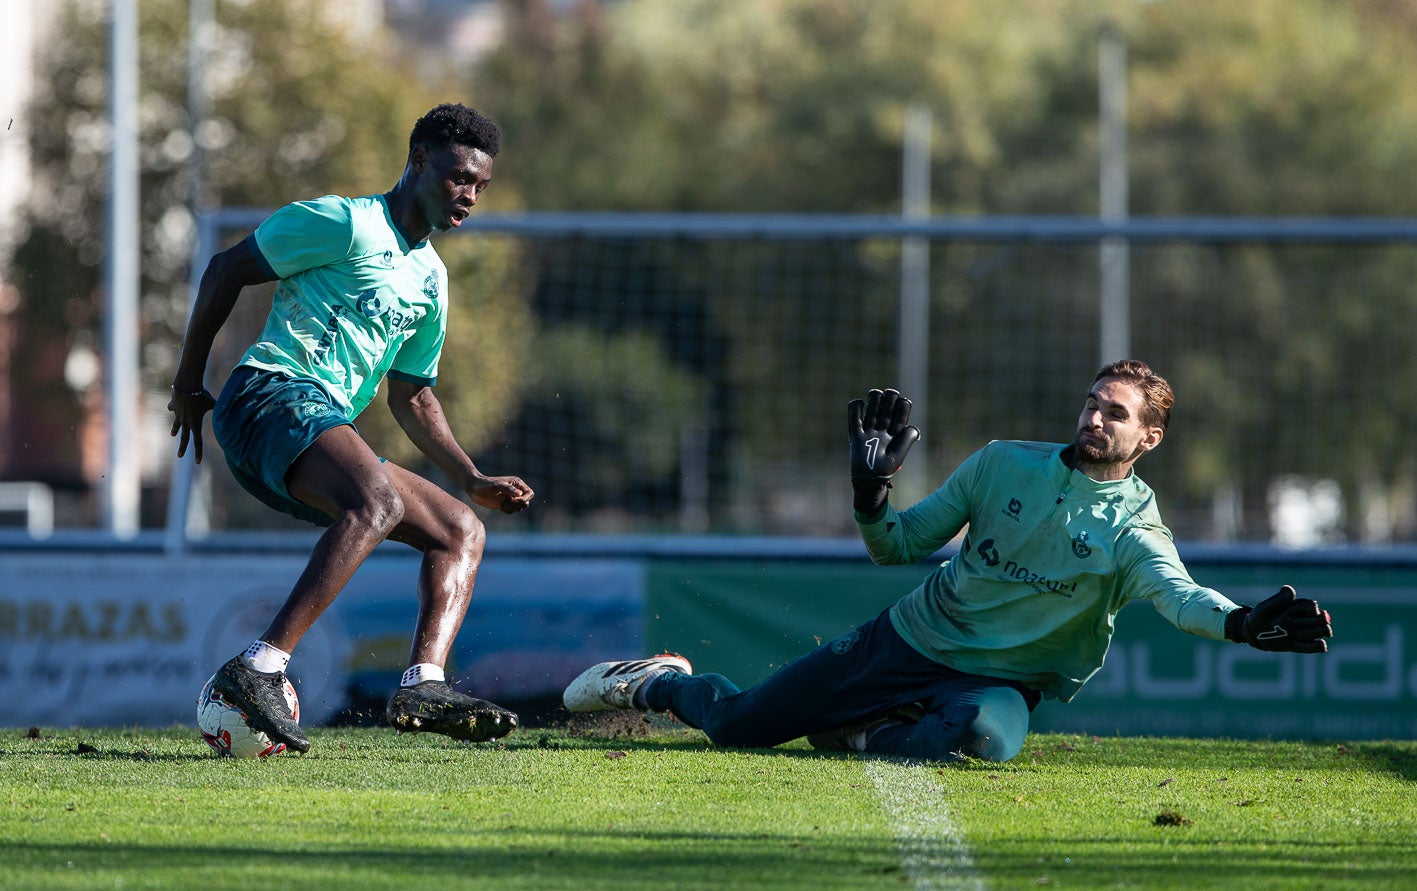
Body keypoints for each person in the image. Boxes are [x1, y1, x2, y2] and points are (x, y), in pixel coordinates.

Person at [562, 360, 1334, 762]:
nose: (1095, 417)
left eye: (1116, 413)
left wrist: (1239, 624)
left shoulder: (1135, 528)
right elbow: (893, 545)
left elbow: (1178, 595)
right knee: (737, 727)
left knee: (983, 743)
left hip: (998, 683)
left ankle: (861, 733)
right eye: (1092, 402)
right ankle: (660, 681)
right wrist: (870, 491)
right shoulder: (1001, 463)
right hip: (904, 641)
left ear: (1149, 438)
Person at [168, 103, 534, 754]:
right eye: (457, 177)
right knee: (381, 499)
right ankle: (257, 668)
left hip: (314, 423)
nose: (469, 195)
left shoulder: (431, 280)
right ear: (419, 161)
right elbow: (226, 268)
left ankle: (423, 682)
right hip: (267, 395)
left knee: (461, 530)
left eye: (480, 186)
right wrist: (188, 382)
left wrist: (470, 475)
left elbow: (413, 393)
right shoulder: (343, 223)